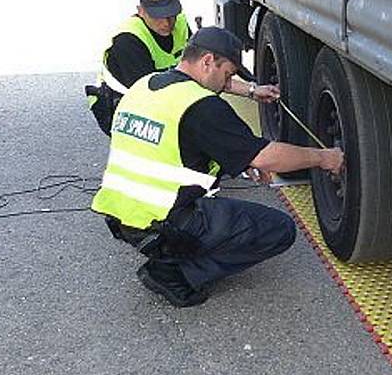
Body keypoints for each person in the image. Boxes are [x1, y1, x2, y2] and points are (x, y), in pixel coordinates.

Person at [91, 26, 344, 307]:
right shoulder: (199, 105)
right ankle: (174, 272)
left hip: (122, 215)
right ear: (207, 61)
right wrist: (324, 158)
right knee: (279, 229)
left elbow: (178, 147)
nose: (228, 82)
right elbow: (268, 157)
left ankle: (167, 252)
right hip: (162, 221)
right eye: (227, 74)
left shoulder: (146, 85)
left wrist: (241, 159)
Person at [86, 0, 276, 134]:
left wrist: (252, 91)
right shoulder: (127, 41)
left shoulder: (179, 25)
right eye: (157, 16)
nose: (167, 23)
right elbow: (152, 99)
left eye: (171, 14)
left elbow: (205, 74)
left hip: (162, 94)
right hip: (123, 108)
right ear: (140, 11)